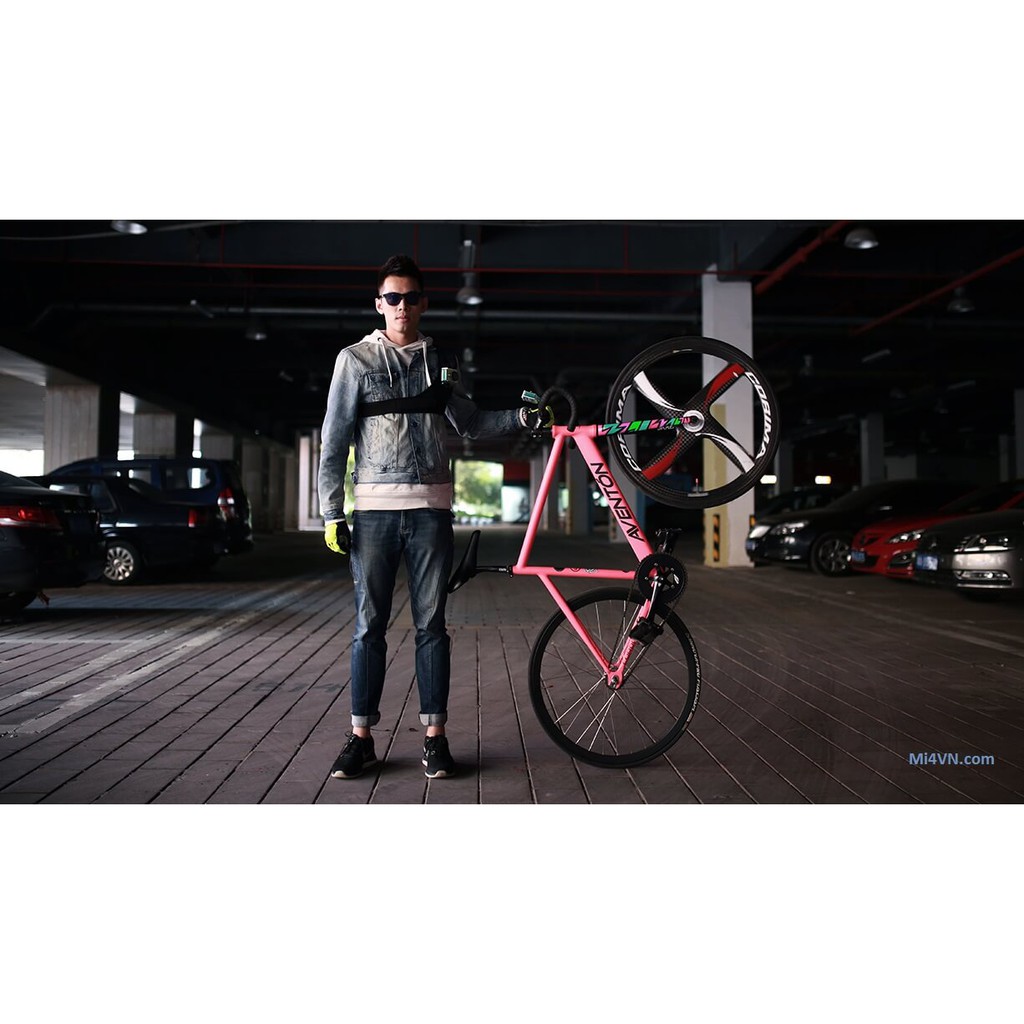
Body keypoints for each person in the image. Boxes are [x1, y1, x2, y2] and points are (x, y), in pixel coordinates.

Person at [318, 254, 540, 780]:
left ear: (423, 303)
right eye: (392, 297)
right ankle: (361, 740)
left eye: (410, 297)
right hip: (374, 514)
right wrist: (331, 512)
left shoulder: (440, 362)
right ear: (379, 304)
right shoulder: (355, 361)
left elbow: (470, 421)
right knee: (368, 627)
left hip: (431, 513)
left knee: (432, 627)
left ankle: (435, 739)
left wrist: (522, 416)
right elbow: (334, 438)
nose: (402, 306)